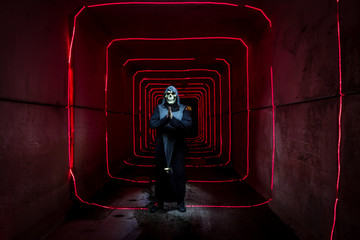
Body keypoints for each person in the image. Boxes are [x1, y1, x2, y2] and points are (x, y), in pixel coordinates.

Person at [149, 85, 192, 212]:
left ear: (176, 96)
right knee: (160, 174)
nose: (170, 96)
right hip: (162, 145)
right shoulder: (159, 108)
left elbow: (187, 126)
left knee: (178, 174)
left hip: (178, 146)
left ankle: (180, 201)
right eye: (168, 94)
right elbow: (152, 123)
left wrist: (173, 120)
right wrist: (166, 118)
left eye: (173, 94)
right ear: (165, 96)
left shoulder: (184, 109)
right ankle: (159, 202)